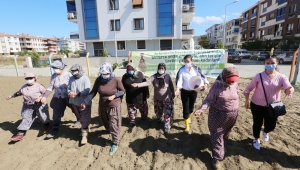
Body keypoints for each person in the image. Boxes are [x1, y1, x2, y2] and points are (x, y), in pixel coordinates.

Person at [244, 55, 294, 150]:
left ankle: (266, 131)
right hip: (257, 104)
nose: (270, 65)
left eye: (272, 63)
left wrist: (289, 89)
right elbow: (248, 89)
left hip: (274, 105)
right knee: (257, 123)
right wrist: (246, 101)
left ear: (277, 64)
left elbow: (288, 86)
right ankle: (256, 139)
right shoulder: (258, 76)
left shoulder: (281, 77)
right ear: (264, 64)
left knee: (271, 125)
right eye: (268, 63)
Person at [194, 67, 240, 169]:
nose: (232, 82)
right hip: (218, 115)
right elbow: (208, 100)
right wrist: (201, 110)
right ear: (224, 76)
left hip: (232, 115)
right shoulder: (217, 86)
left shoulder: (235, 84)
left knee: (225, 133)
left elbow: (237, 94)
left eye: (234, 79)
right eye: (230, 79)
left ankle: (221, 148)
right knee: (216, 135)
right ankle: (217, 158)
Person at [81, 62, 125, 155]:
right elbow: (93, 92)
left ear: (110, 72)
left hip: (114, 105)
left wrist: (114, 96)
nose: (104, 76)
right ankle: (110, 131)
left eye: (106, 74)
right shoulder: (99, 80)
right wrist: (85, 102)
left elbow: (122, 91)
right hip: (102, 106)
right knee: (105, 121)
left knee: (114, 124)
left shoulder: (116, 80)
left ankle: (115, 142)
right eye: (102, 74)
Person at [6, 73, 51, 141]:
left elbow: (46, 93)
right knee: (26, 117)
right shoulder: (24, 87)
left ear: (34, 78)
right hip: (28, 105)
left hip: (39, 104)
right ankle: (20, 134)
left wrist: (41, 97)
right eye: (27, 78)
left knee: (43, 116)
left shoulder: (39, 86)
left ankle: (47, 125)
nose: (29, 80)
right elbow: (18, 93)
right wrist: (11, 96)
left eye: (30, 78)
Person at [132, 63, 175, 133]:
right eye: (159, 68)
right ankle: (159, 118)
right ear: (157, 69)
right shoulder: (154, 77)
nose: (161, 70)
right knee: (158, 111)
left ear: (165, 69)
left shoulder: (167, 76)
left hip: (167, 98)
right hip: (157, 99)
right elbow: (147, 83)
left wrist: (173, 93)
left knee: (167, 113)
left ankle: (167, 126)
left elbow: (171, 85)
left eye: (162, 68)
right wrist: (137, 85)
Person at [41, 60, 76, 138]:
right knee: (56, 112)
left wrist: (74, 93)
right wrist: (44, 96)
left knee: (75, 108)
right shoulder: (53, 76)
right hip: (58, 97)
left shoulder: (68, 75)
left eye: (56, 68)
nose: (55, 69)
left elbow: (74, 85)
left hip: (69, 96)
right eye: (53, 68)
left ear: (61, 68)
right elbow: (50, 87)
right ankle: (55, 129)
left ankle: (80, 121)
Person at [175, 54, 209, 133]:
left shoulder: (196, 69)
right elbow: (179, 80)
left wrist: (205, 84)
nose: (186, 63)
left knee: (191, 107)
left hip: (194, 91)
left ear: (191, 61)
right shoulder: (182, 70)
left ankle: (189, 116)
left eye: (188, 61)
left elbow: (203, 77)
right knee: (185, 108)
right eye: (185, 61)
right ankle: (187, 126)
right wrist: (177, 89)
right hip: (184, 92)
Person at [68, 64, 91, 144]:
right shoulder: (71, 78)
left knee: (84, 117)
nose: (74, 72)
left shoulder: (85, 78)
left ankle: (84, 136)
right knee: (80, 117)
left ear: (79, 70)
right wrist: (70, 92)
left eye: (75, 70)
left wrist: (77, 94)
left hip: (84, 101)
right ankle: (85, 128)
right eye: (73, 71)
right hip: (74, 102)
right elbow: (68, 88)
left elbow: (87, 90)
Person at [121, 63, 149, 128]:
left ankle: (144, 118)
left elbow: (145, 84)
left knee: (144, 111)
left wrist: (147, 93)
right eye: (128, 69)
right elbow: (122, 88)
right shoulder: (125, 77)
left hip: (141, 97)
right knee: (131, 112)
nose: (130, 70)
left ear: (134, 68)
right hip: (130, 98)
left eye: (131, 69)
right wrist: (121, 96)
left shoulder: (140, 74)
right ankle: (132, 122)